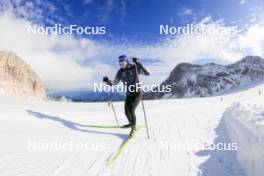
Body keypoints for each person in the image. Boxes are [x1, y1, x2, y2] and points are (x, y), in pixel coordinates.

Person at [103, 55, 150, 136]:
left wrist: (138, 63)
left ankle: (134, 127)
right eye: (120, 62)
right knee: (126, 111)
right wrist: (108, 82)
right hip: (129, 94)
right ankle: (131, 123)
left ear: (127, 61)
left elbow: (147, 73)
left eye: (123, 61)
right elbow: (115, 82)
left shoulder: (134, 67)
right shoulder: (120, 72)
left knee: (131, 110)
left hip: (137, 93)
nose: (121, 63)